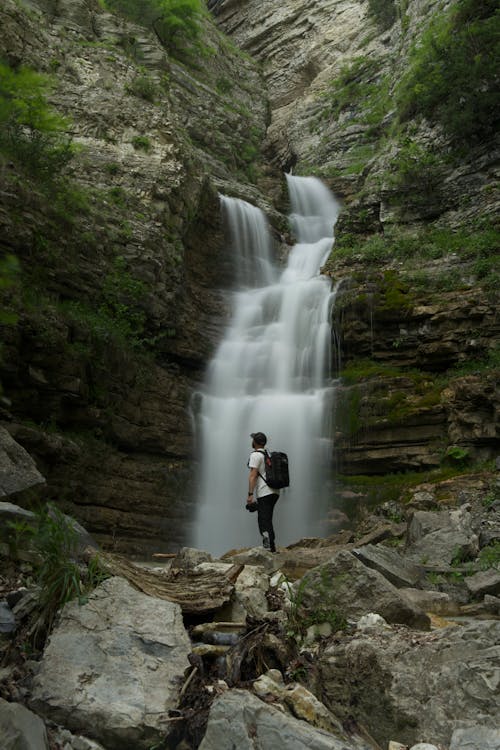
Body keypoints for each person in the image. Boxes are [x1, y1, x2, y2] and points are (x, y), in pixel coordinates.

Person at [246, 432, 280, 552]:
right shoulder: (268, 454)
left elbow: (253, 476)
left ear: (255, 442)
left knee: (263, 520)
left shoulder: (256, 455)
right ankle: (272, 547)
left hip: (264, 492)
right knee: (267, 519)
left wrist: (250, 495)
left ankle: (268, 548)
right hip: (275, 491)